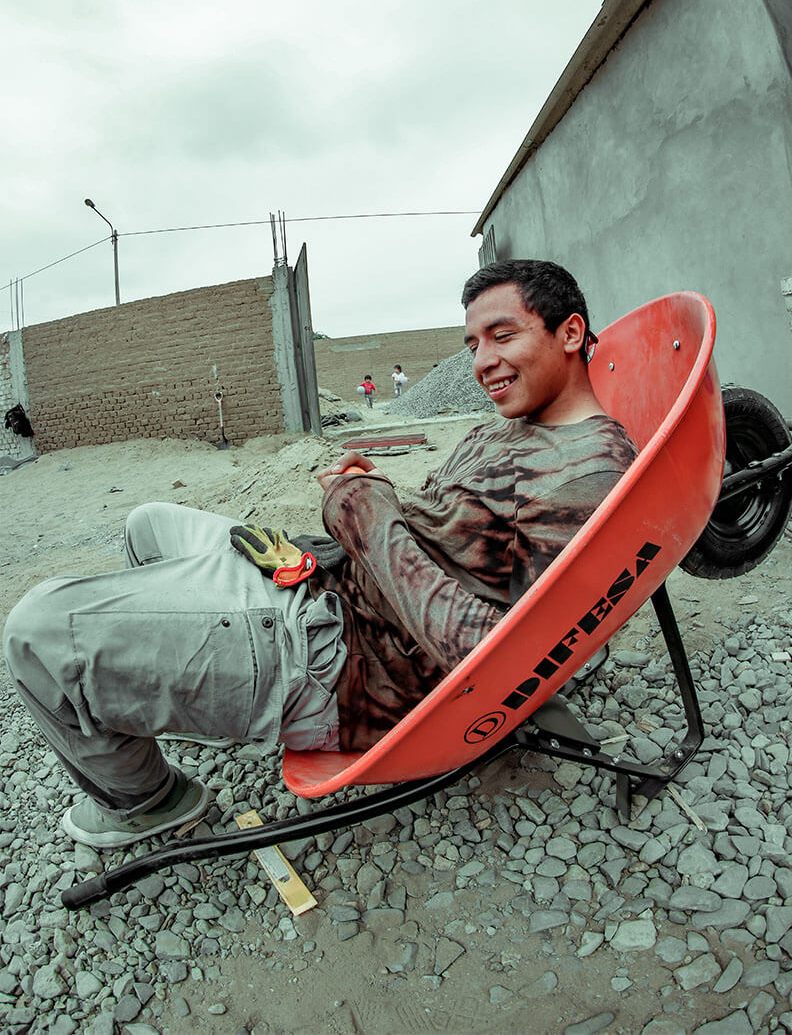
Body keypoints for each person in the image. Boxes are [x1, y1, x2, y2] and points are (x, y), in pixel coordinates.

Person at [3, 259, 636, 850]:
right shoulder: (512, 428)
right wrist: (379, 495)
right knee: (149, 525)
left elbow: (499, 657)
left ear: (571, 332)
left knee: (36, 631)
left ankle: (149, 801)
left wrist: (359, 504)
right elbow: (448, 537)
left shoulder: (580, 477)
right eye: (473, 345)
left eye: (503, 336)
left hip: (339, 659)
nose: (483, 362)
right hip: (320, 581)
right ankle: (187, 681)